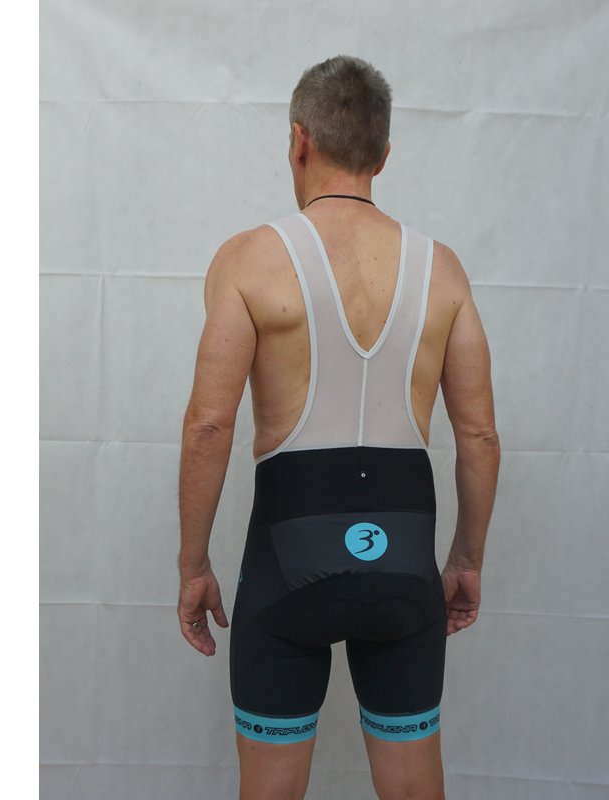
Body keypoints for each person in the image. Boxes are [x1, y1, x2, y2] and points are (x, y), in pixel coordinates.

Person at [176, 55, 500, 800]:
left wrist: (194, 566)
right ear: (383, 154)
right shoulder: (443, 270)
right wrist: (466, 558)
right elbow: (479, 435)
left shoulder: (248, 260)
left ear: (299, 140)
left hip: (286, 561)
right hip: (407, 560)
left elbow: (209, 425)